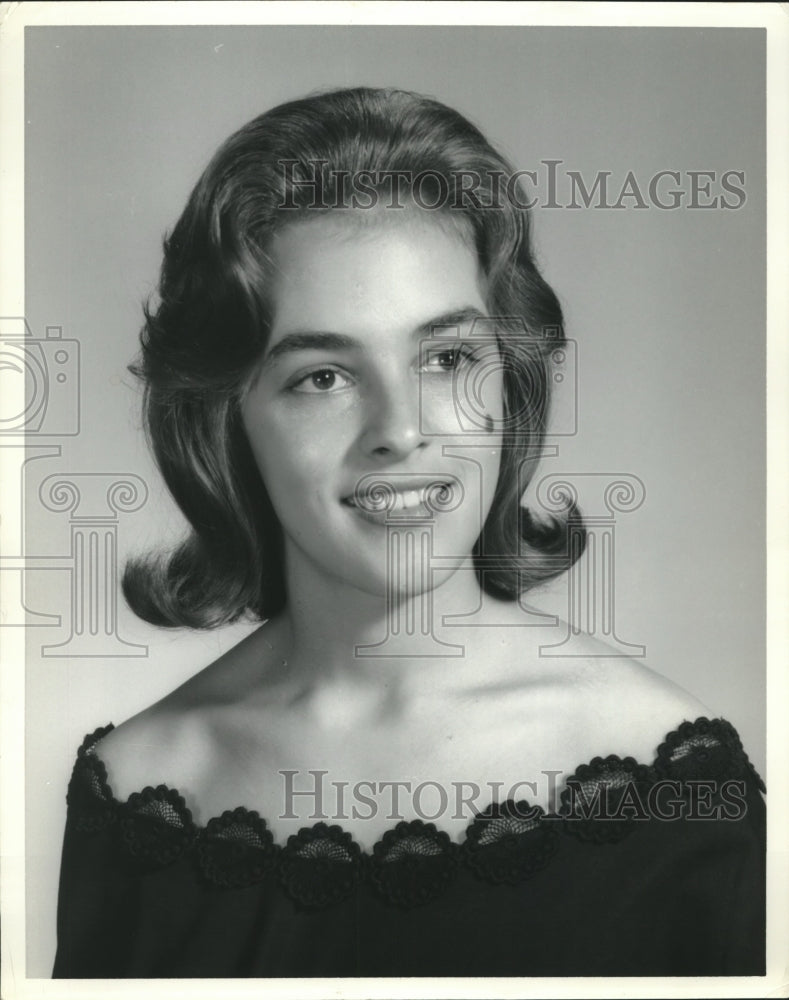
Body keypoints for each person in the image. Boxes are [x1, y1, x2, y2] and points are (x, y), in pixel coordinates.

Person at [52, 87, 765, 978]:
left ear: (510, 384)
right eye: (321, 376)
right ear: (227, 417)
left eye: (448, 358)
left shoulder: (676, 792)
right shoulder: (137, 797)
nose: (401, 428)